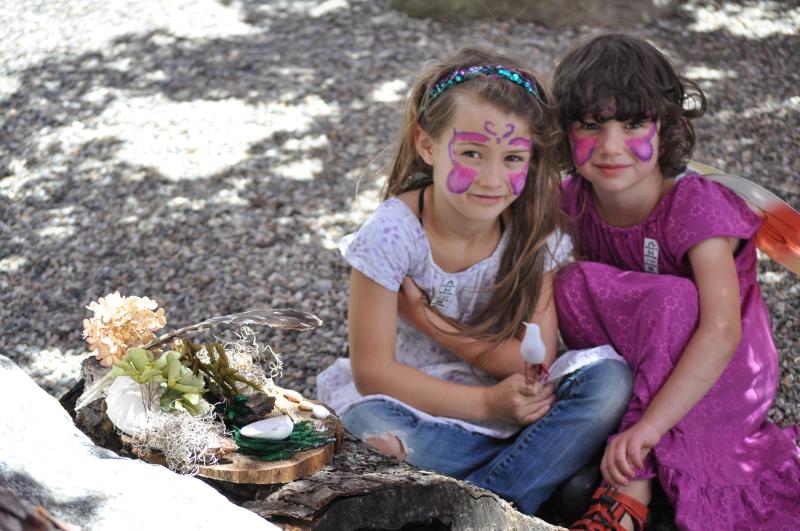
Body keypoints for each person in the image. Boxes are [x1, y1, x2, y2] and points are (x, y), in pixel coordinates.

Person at [316, 45, 633, 515]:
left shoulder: (534, 233)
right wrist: (485, 405)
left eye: (512, 158)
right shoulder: (391, 234)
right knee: (375, 433)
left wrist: (431, 321)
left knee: (608, 381)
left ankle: (467, 506)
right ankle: (524, 489)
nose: (492, 178)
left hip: (516, 413)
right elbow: (373, 371)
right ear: (428, 145)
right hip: (418, 409)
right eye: (471, 152)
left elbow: (536, 362)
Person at [551, 33, 800, 530]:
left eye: (634, 123)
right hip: (636, 355)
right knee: (567, 281)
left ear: (668, 127)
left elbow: (724, 330)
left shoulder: (694, 206)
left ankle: (631, 490)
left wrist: (650, 425)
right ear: (565, 130)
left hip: (722, 369)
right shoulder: (570, 199)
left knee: (675, 300)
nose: (611, 145)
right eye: (591, 124)